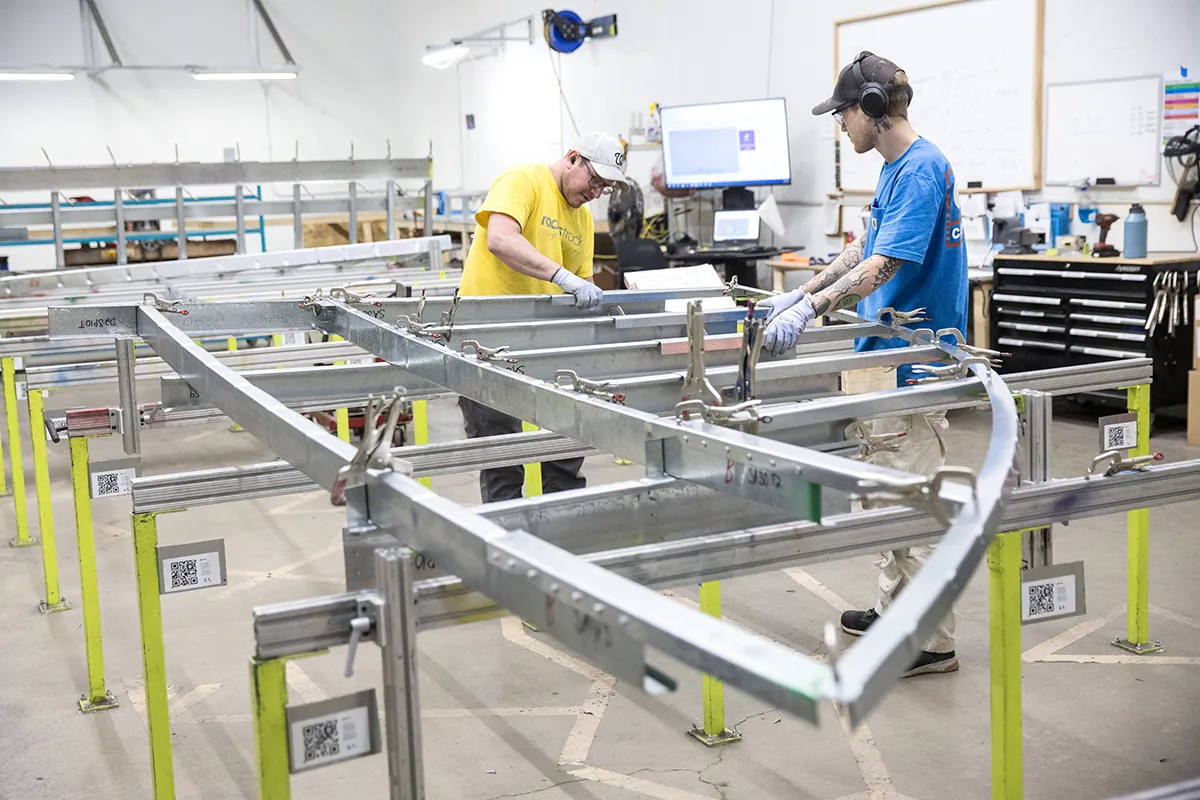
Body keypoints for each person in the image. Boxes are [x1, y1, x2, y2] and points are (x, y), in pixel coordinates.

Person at [763, 51, 967, 677]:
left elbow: (887, 266)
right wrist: (803, 290)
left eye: (843, 114)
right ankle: (894, 609)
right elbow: (863, 248)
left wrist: (814, 308)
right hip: (884, 355)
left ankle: (931, 640)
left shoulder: (924, 170)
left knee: (911, 498)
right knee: (884, 493)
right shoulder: (895, 169)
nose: (839, 126)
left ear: (872, 110)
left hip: (912, 361)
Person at [457, 132, 629, 503]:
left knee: (565, 452)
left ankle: (561, 540)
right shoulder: (524, 180)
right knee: (503, 457)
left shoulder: (582, 218)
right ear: (572, 159)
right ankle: (509, 549)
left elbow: (584, 288)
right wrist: (560, 276)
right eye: (594, 180)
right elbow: (500, 239)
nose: (597, 193)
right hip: (488, 340)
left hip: (547, 345)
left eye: (606, 188)